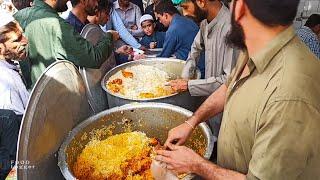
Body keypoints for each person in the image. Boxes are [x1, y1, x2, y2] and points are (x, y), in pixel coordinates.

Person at [155, 0, 320, 179]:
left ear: (240, 6)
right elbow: (229, 85)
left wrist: (196, 164)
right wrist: (191, 122)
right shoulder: (256, 46)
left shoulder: (289, 95)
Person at [13, 0, 126, 89]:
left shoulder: (24, 16)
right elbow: (93, 58)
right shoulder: (56, 24)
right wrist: (109, 36)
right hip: (58, 97)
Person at [168, 0, 237, 139]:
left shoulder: (232, 28)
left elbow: (229, 81)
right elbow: (195, 48)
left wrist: (189, 85)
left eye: (186, 7)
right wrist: (186, 75)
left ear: (201, 2)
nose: (185, 13)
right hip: (209, 99)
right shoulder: (206, 22)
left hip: (226, 106)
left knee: (220, 141)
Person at [0, 11, 29, 179]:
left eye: (22, 35)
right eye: (17, 40)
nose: (25, 41)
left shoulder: (9, 65)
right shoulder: (6, 88)